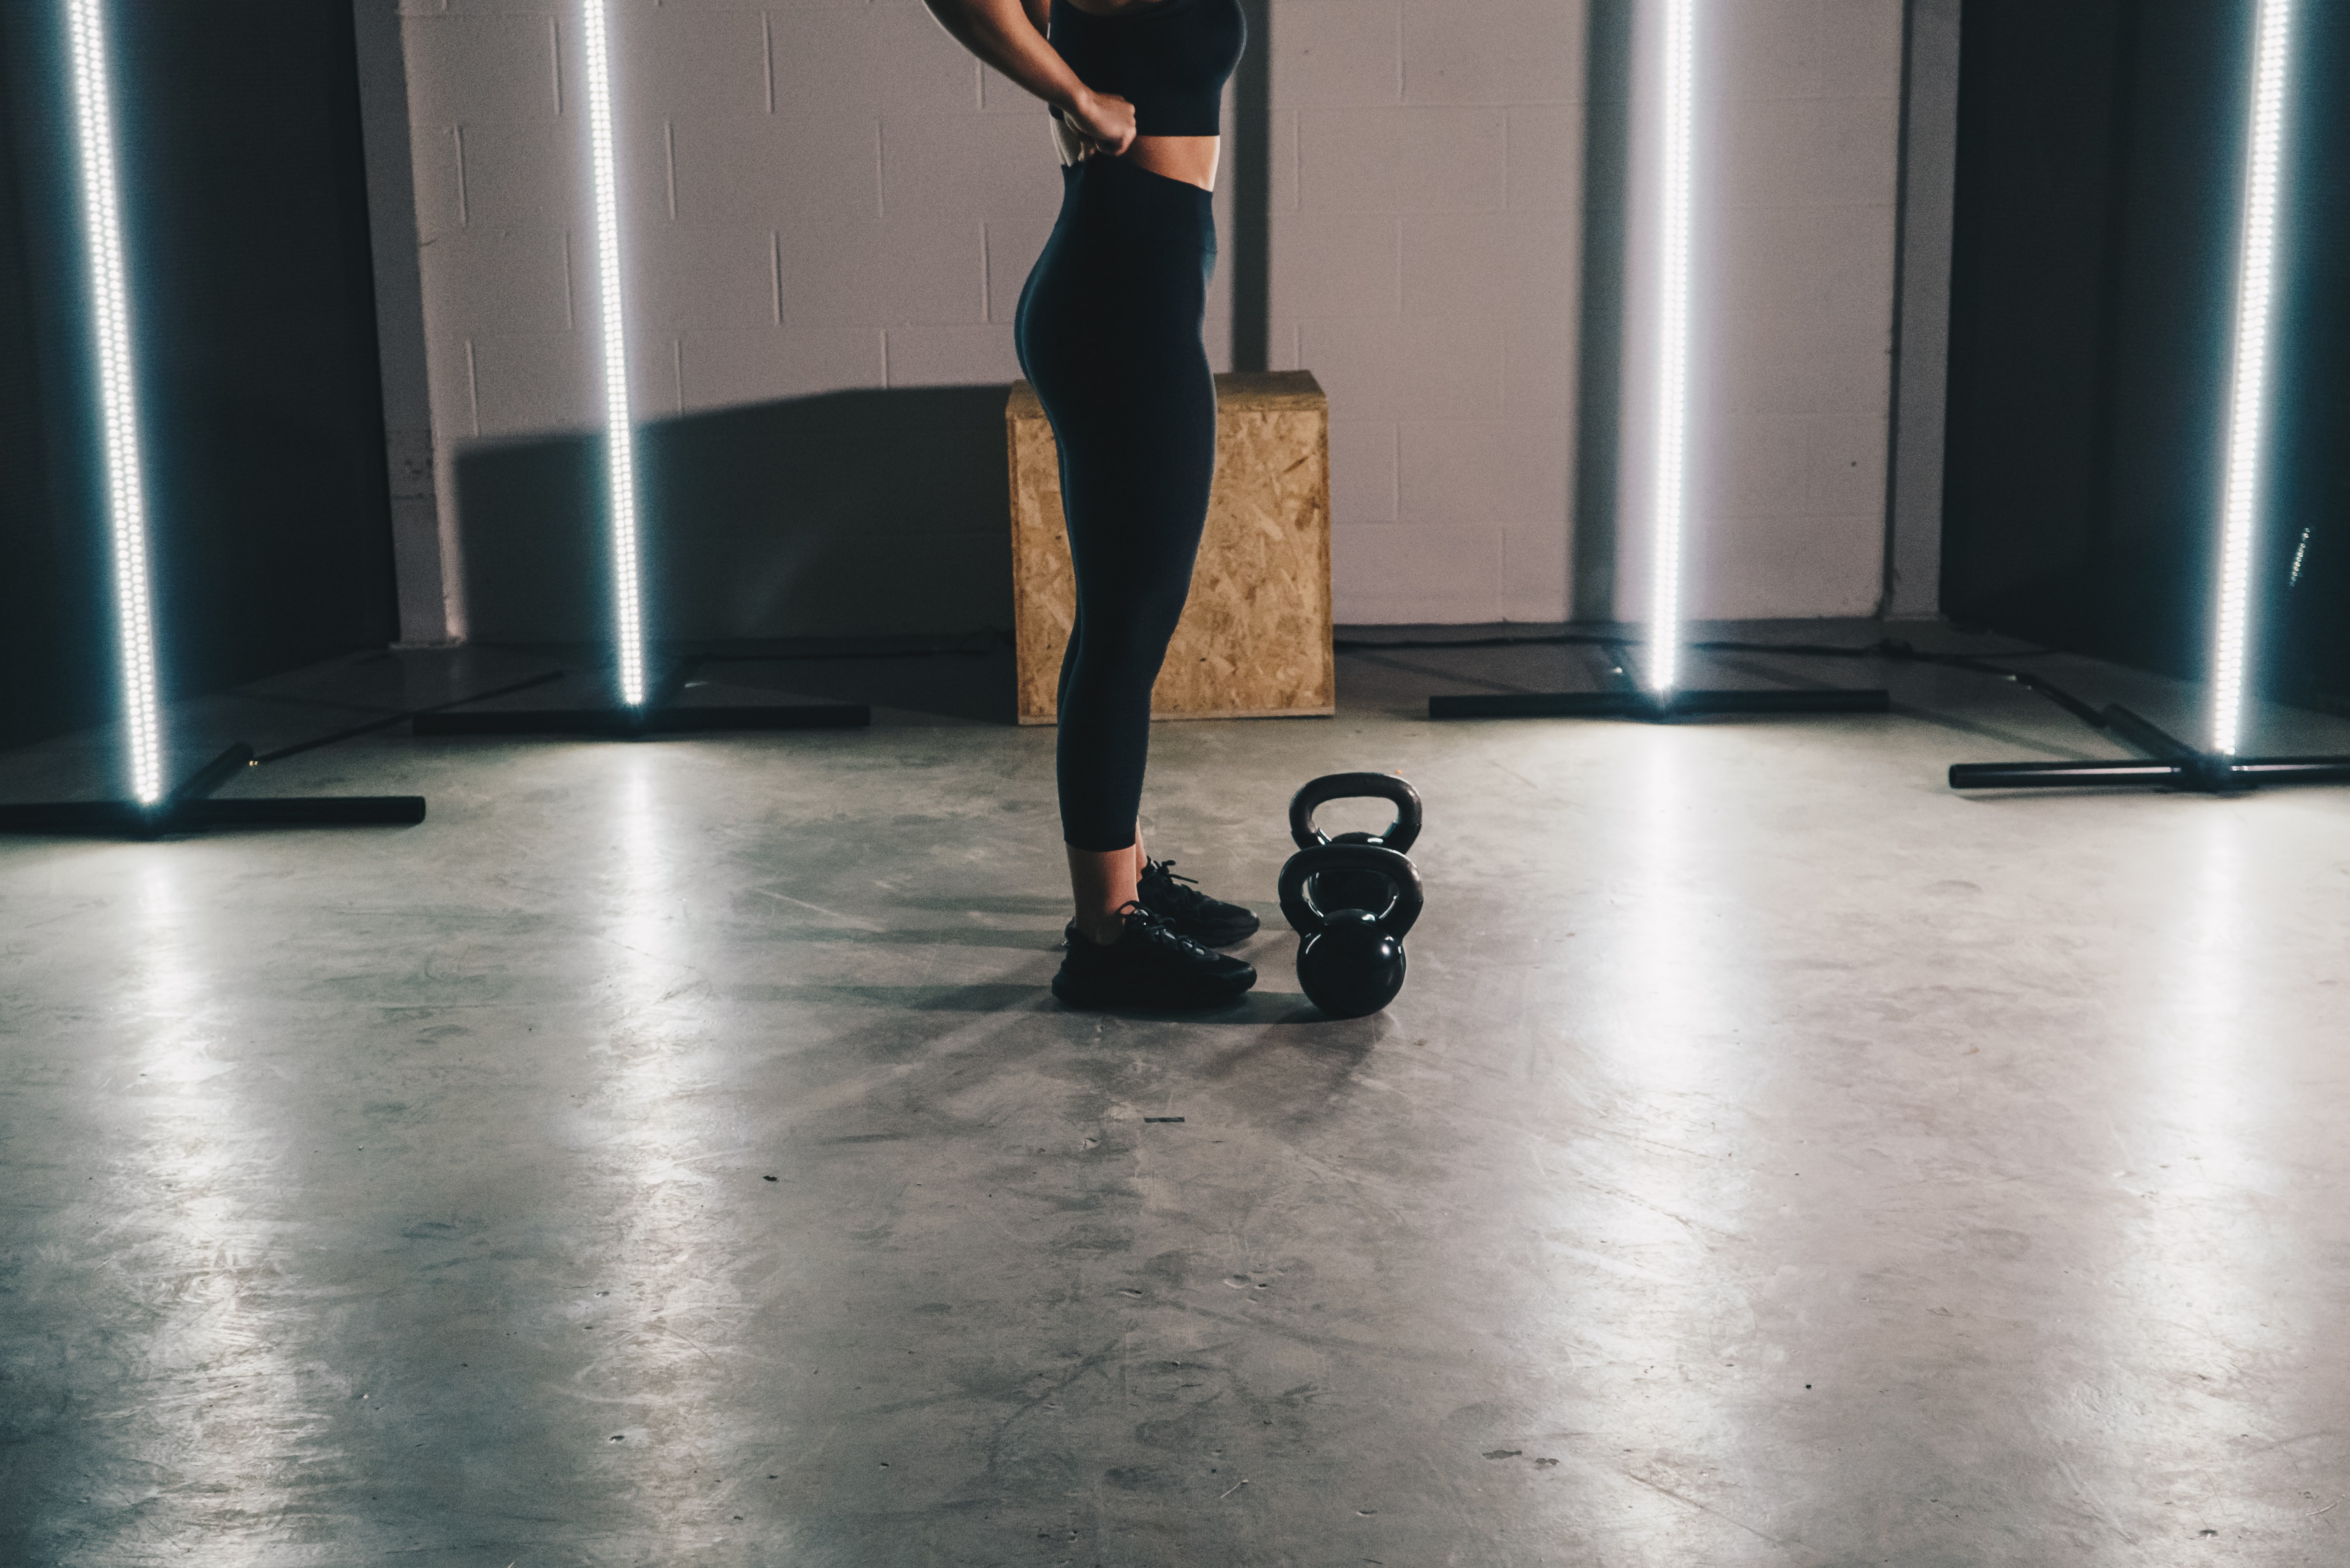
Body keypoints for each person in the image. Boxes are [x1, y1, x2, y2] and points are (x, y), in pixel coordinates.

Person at [922, 0, 1261, 1010]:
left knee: (1129, 615)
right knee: (1128, 623)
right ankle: (1107, 937)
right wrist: (1071, 93)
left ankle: (1124, 882)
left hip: (1135, 281)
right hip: (1120, 297)